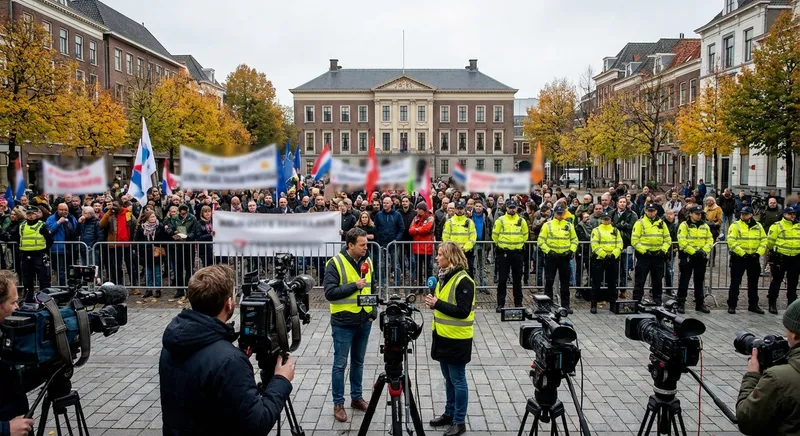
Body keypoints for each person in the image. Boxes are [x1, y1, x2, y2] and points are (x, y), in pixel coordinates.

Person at [159, 265, 295, 435]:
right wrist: (281, 380)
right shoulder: (230, 362)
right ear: (228, 304)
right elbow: (257, 423)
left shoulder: (174, 341)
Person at [324, 228, 376, 422]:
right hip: (343, 322)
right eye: (362, 245)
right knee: (340, 364)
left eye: (366, 244)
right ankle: (338, 403)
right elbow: (330, 293)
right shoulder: (335, 263)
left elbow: (372, 287)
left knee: (358, 362)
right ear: (350, 245)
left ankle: (356, 397)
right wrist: (354, 285)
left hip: (364, 320)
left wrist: (373, 311)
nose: (365, 248)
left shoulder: (368, 260)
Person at [425, 241, 475, 436]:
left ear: (450, 257)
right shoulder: (443, 277)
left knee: (458, 380)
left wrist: (437, 304)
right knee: (448, 379)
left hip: (457, 339)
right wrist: (434, 303)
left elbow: (462, 311)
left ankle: (459, 421)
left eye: (440, 255)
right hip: (442, 336)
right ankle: (449, 413)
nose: (437, 258)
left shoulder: (464, 280)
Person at [735, 299, 800, 435]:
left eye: (786, 330)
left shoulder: (778, 378)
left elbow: (746, 420)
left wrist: (753, 375)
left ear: (794, 335)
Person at [0, 270, 36, 436]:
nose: (17, 307)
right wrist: (5, 429)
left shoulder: (5, 332)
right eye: (13, 302)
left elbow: (12, 384)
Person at [537, 206, 578, 312]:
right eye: (558, 213)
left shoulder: (569, 225)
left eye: (561, 213)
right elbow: (541, 241)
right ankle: (547, 304)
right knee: (549, 281)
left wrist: (571, 250)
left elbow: (574, 240)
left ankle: (566, 305)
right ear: (554, 213)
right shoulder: (547, 225)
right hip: (552, 257)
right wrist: (548, 251)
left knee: (565, 282)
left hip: (564, 257)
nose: (560, 215)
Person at [727, 206, 766, 314]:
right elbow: (731, 241)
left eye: (745, 214)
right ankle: (732, 305)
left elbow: (764, 241)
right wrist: (742, 253)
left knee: (753, 283)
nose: (743, 215)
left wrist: (758, 253)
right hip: (739, 258)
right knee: (735, 282)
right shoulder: (735, 225)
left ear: (751, 215)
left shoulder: (758, 226)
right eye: (742, 213)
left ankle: (753, 305)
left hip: (753, 258)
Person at [631, 203, 671, 304]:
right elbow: (634, 240)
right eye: (649, 211)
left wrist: (663, 250)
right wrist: (644, 251)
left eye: (653, 211)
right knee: (640, 280)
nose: (651, 213)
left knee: (657, 280)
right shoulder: (640, 223)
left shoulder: (662, 223)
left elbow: (667, 239)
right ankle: (636, 300)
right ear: (645, 211)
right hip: (644, 256)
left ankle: (657, 300)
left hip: (658, 256)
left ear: (656, 211)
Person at [676, 205, 712, 314]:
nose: (699, 215)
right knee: (684, 280)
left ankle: (700, 303)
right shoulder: (684, 225)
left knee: (699, 280)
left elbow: (710, 240)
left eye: (700, 214)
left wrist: (704, 251)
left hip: (701, 257)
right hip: (688, 256)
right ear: (690, 214)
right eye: (696, 214)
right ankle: (681, 303)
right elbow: (682, 240)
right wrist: (693, 251)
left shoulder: (704, 226)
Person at [492, 200, 528, 311]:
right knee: (502, 279)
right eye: (510, 207)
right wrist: (502, 245)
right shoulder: (500, 220)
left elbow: (525, 235)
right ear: (506, 208)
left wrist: (517, 244)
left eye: (514, 207)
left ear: (517, 208)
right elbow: (495, 236)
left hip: (517, 253)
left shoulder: (521, 220)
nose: (512, 209)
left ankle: (518, 303)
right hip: (504, 253)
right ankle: (500, 304)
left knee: (517, 279)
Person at [766, 207, 800, 314]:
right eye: (790, 214)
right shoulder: (777, 226)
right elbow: (770, 242)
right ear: (784, 215)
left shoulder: (798, 226)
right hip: (780, 258)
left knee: (793, 283)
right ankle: (772, 304)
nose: (793, 216)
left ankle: (791, 307)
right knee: (776, 281)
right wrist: (774, 252)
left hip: (795, 258)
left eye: (794, 214)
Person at [589, 212, 622, 313]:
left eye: (608, 219)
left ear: (611, 220)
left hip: (612, 259)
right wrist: (604, 255)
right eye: (604, 219)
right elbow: (594, 244)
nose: (606, 221)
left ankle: (613, 304)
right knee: (596, 283)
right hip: (599, 259)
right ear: (601, 220)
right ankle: (593, 304)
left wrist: (614, 254)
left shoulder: (615, 230)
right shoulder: (596, 230)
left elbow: (619, 244)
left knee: (612, 283)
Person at [18, 207, 53, 300]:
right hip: (25, 255)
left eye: (32, 214)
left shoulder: (42, 225)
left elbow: (50, 239)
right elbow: (19, 239)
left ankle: (44, 299)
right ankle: (28, 299)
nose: (30, 216)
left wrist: (44, 250)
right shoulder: (22, 225)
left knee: (43, 279)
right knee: (27, 279)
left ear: (36, 215)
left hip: (38, 255)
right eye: (28, 214)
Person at [45, 202, 78, 286]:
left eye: (65, 210)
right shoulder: (51, 218)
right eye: (61, 210)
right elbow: (49, 231)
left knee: (71, 269)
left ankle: (71, 287)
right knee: (61, 270)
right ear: (57, 210)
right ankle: (61, 287)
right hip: (58, 249)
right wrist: (58, 222)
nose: (63, 212)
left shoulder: (71, 217)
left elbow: (76, 229)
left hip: (70, 248)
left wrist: (80, 223)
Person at [443, 201, 477, 278]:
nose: (459, 210)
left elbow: (473, 237)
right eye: (458, 208)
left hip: (466, 253)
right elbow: (445, 237)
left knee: (468, 274)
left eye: (461, 208)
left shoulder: (469, 222)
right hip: (453, 252)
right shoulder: (449, 222)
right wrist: (452, 248)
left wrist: (465, 248)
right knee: (452, 274)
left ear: (464, 209)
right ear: (455, 209)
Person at [408, 202, 435, 292]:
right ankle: (419, 287)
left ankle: (429, 287)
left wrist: (416, 229)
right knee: (418, 269)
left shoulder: (430, 218)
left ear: (424, 210)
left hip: (427, 248)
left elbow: (426, 229)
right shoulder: (416, 218)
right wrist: (419, 230)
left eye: (419, 209)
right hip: (417, 248)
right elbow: (410, 230)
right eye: (417, 209)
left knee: (428, 269)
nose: (418, 211)